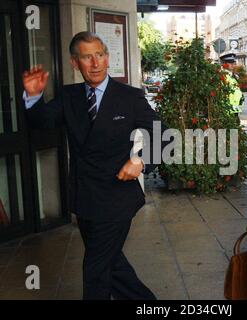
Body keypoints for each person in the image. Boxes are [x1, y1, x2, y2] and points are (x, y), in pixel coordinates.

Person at [22, 31, 166, 300]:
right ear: (75, 63)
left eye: (99, 55)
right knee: (113, 266)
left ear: (107, 57)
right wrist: (33, 98)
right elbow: (42, 122)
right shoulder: (69, 96)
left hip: (117, 199)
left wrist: (140, 160)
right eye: (87, 57)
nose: (96, 63)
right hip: (84, 198)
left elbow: (163, 134)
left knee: (95, 270)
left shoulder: (129, 96)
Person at [220, 53, 244, 123]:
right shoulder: (222, 76)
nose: (233, 65)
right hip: (226, 110)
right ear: (223, 63)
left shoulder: (233, 76)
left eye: (233, 62)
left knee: (234, 132)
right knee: (228, 132)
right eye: (230, 63)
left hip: (234, 109)